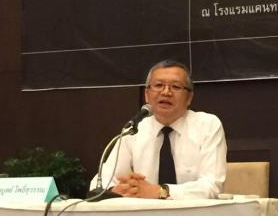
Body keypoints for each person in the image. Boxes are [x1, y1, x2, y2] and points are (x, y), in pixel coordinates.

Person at [92, 60, 227, 199]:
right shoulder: (135, 129)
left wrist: (159, 191)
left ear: (189, 98)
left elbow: (212, 185)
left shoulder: (207, 125)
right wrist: (117, 190)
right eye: (158, 85)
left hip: (196, 212)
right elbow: (100, 182)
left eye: (175, 87)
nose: (166, 92)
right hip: (144, 212)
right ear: (146, 94)